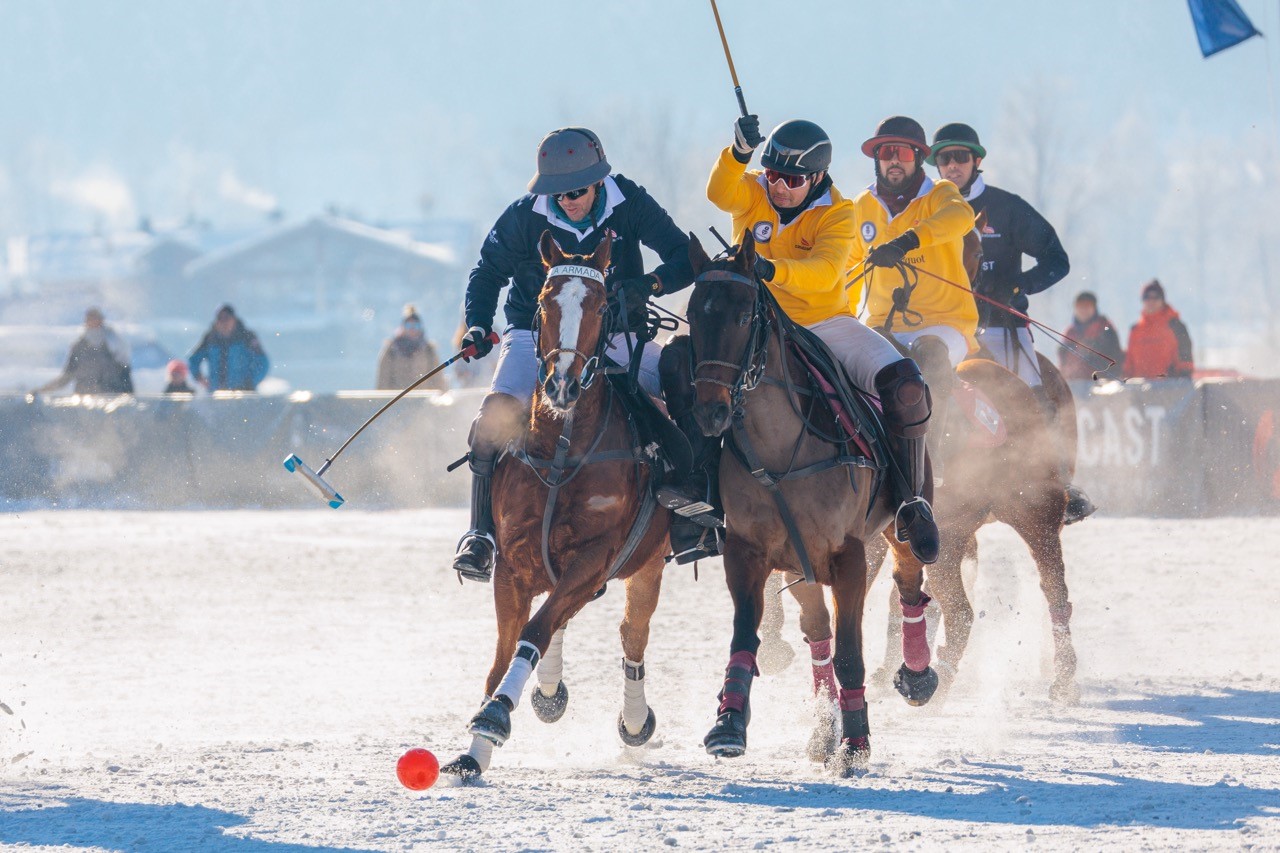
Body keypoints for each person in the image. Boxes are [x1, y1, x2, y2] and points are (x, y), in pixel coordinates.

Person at [450, 126, 696, 582]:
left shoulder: (630, 202)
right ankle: (480, 535)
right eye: (557, 193)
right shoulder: (525, 216)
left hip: (616, 333)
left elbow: (684, 255)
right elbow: (486, 273)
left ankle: (687, 522)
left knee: (675, 397)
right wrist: (480, 323)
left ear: (599, 180)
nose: (567, 200)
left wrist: (650, 285)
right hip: (535, 336)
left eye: (576, 191)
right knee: (492, 419)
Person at [703, 113, 940, 564]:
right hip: (755, 327)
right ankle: (698, 500)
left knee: (906, 384)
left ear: (816, 177)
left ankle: (912, 502)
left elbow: (826, 273)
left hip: (824, 324)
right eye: (772, 174)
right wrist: (738, 154)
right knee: (689, 368)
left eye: (791, 179)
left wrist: (771, 269)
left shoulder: (838, 210)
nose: (778, 186)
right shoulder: (751, 191)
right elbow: (719, 192)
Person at [929, 122, 1094, 523]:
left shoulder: (1008, 207)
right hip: (946, 327)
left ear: (977, 161)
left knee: (1035, 396)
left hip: (1001, 327)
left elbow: (1058, 261)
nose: (952, 165)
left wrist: (1019, 286)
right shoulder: (926, 209)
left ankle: (1060, 485)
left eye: (961, 157)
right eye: (945, 158)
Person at [850, 116, 977, 492]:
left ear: (918, 158)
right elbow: (844, 268)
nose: (894, 160)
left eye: (903, 152)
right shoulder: (860, 206)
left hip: (944, 323)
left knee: (930, 355)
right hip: (883, 325)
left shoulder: (940, 194)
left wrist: (907, 241)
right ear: (876, 158)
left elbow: (962, 218)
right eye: (886, 152)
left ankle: (929, 463)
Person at [36, 306, 133, 395]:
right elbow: (66, 377)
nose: (93, 322)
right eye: (90, 319)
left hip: (111, 400)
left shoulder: (114, 344)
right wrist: (43, 390)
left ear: (101, 320)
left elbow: (125, 375)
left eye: (95, 318)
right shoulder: (79, 347)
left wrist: (129, 400)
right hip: (84, 402)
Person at [188, 304, 269, 392]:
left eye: (227, 318)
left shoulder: (246, 337)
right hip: (216, 394)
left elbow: (263, 362)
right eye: (220, 319)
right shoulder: (210, 339)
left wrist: (250, 382)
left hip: (243, 394)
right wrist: (200, 378)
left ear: (234, 320)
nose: (224, 323)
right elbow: (193, 360)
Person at [1125, 279, 1194, 379]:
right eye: (1147, 297)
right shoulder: (1136, 330)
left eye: (1156, 297)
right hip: (1140, 390)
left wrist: (1179, 381)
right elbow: (1129, 365)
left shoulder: (1175, 326)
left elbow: (1186, 361)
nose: (1151, 301)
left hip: (1169, 388)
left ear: (1162, 300)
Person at [376, 304, 447, 391]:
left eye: (416, 325)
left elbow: (438, 378)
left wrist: (442, 395)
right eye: (409, 325)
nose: (412, 329)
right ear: (403, 327)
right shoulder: (391, 349)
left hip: (423, 400)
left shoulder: (429, 350)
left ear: (420, 327)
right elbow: (383, 379)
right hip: (398, 400)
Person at [1059, 291, 1123, 381]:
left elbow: (1114, 357)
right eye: (1080, 306)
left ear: (1094, 308)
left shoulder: (1105, 327)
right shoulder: (1070, 331)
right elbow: (1063, 359)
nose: (1083, 310)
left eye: (1087, 306)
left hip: (1101, 383)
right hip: (1075, 383)